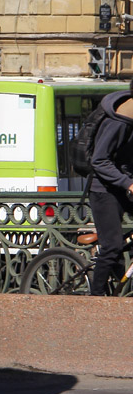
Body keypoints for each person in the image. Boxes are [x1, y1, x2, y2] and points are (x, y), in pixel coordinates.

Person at [86, 81, 133, 295]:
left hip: (123, 185)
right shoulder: (120, 121)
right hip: (103, 189)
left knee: (118, 247)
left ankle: (120, 278)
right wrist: (128, 183)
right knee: (112, 246)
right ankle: (95, 300)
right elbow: (99, 160)